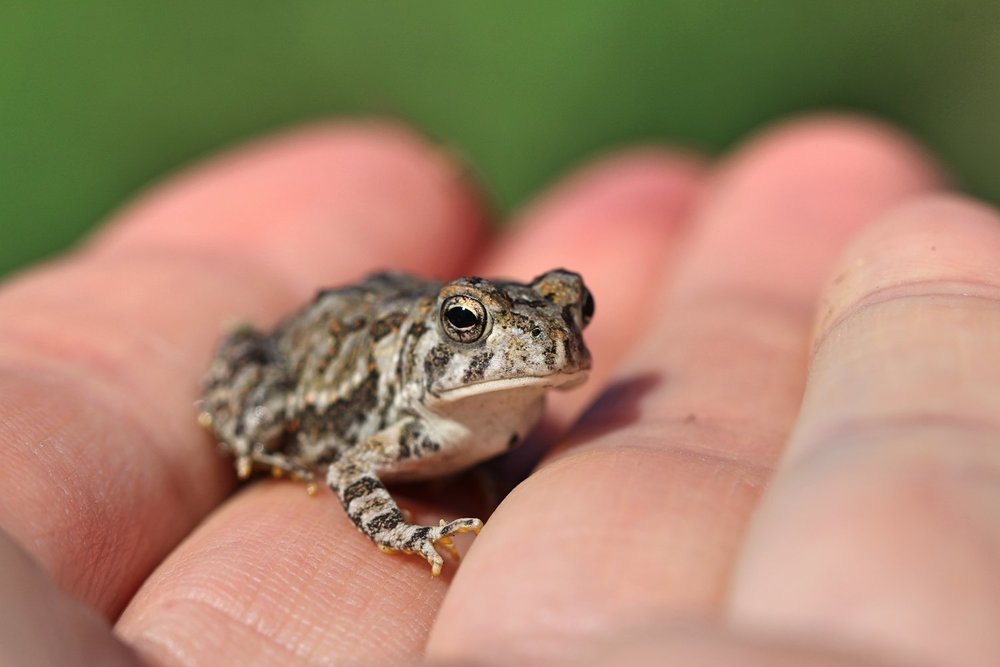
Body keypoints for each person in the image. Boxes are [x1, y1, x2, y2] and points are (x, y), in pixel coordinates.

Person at [1, 114, 996, 666]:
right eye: (474, 327)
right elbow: (353, 464)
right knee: (258, 411)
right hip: (326, 368)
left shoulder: (520, 398)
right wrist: (407, 530)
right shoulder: (398, 417)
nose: (551, 335)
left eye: (571, 311)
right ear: (450, 337)